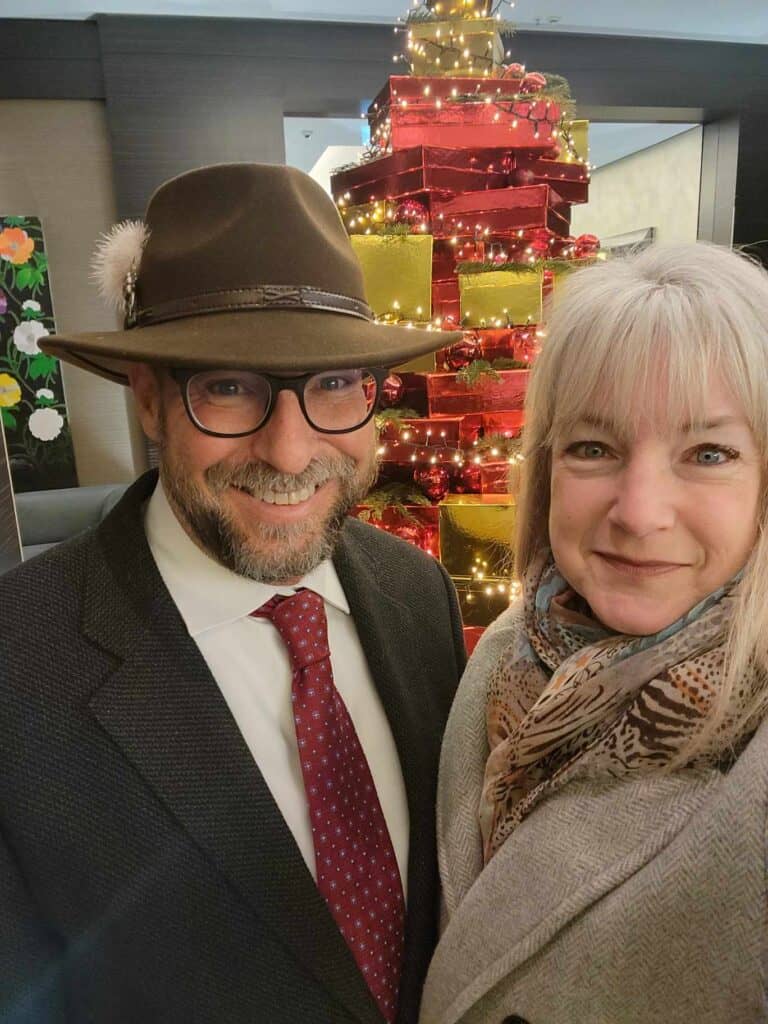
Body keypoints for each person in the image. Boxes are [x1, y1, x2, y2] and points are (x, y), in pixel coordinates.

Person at [0, 163, 466, 1024]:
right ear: (148, 401)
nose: (290, 453)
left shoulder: (418, 595)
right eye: (228, 386)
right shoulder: (19, 660)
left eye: (333, 385)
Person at [420, 242, 768, 1024]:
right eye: (593, 448)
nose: (640, 512)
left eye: (708, 453)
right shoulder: (510, 652)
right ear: (546, 470)